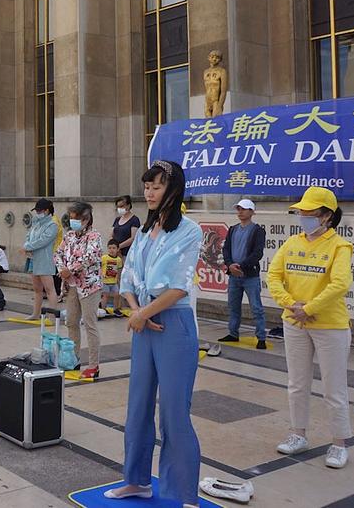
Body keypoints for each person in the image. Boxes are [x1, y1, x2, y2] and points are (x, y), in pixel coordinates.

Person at [108, 160, 202, 506]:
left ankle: (183, 493)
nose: (149, 192)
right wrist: (137, 312)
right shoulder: (146, 232)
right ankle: (136, 480)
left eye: (157, 186)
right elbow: (129, 276)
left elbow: (178, 287)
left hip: (172, 325)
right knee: (138, 407)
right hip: (144, 323)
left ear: (173, 189)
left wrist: (142, 313)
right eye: (146, 186)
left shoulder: (190, 230)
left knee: (174, 412)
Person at [267, 186, 353, 469]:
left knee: (334, 388)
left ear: (327, 216)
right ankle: (297, 434)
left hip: (330, 325)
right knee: (297, 383)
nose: (303, 217)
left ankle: (339, 443)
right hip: (294, 322)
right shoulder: (293, 242)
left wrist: (309, 308)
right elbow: (274, 275)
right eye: (301, 212)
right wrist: (292, 305)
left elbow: (339, 284)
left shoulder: (339, 246)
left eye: (310, 213)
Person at [55, 202, 104, 379]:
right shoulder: (69, 236)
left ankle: (93, 365)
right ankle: (73, 359)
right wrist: (62, 269)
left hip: (89, 285)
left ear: (86, 219)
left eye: (76, 218)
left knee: (90, 324)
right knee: (71, 322)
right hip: (71, 285)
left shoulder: (94, 236)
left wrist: (72, 269)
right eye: (71, 218)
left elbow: (90, 257)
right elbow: (58, 253)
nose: (73, 221)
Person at [218, 198, 267, 348]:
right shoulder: (233, 229)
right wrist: (229, 264)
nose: (240, 212)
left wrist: (241, 266)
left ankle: (261, 337)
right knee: (233, 306)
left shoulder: (258, 231)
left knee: (256, 307)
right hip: (233, 275)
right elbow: (226, 249)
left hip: (249, 276)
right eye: (238, 209)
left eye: (244, 209)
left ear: (252, 212)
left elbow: (257, 253)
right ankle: (233, 333)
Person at [23, 198, 59, 320]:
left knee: (49, 289)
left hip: (45, 260)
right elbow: (29, 235)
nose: (38, 213)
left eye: (40, 210)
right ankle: (35, 313)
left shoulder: (52, 225)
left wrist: (28, 246)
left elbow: (44, 240)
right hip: (33, 259)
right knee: (37, 289)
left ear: (47, 210)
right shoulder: (36, 223)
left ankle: (52, 315)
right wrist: (27, 245)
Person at [101, 239, 124, 316]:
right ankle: (103, 309)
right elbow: (99, 267)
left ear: (118, 249)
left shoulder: (119, 260)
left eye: (114, 248)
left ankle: (116, 309)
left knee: (117, 294)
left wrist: (119, 279)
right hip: (105, 281)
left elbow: (119, 270)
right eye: (110, 248)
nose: (111, 250)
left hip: (114, 282)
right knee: (105, 295)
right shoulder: (104, 258)